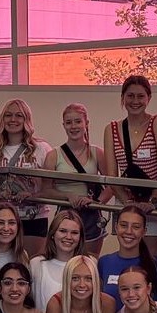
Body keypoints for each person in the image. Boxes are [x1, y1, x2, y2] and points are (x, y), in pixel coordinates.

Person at [100, 75, 157, 236]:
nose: (135, 101)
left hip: (155, 200)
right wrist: (127, 202)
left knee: (153, 256)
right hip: (125, 199)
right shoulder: (111, 129)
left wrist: (153, 201)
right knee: (128, 251)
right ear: (122, 98)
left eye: (140, 96)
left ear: (149, 98)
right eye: (130, 96)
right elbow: (112, 175)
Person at [0, 98, 54, 255]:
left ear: (27, 119)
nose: (13, 119)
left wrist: (33, 196)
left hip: (34, 218)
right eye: (8, 115)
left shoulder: (42, 149)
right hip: (4, 220)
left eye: (19, 115)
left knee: (31, 264)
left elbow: (50, 185)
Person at [46, 104, 108, 247]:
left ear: (86, 123)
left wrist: (96, 202)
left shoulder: (97, 153)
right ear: (64, 125)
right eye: (69, 122)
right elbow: (46, 189)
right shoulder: (53, 156)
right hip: (64, 213)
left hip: (91, 214)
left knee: (90, 262)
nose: (73, 126)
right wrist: (68, 196)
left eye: (78, 121)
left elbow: (112, 185)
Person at [98, 204, 157, 305]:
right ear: (116, 227)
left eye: (136, 227)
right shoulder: (104, 262)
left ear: (144, 231)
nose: (129, 231)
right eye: (123, 225)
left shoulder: (156, 264)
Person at [30, 209, 87, 310]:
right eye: (63, 231)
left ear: (80, 237)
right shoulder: (36, 263)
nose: (68, 237)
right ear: (52, 234)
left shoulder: (88, 264)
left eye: (74, 233)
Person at [0, 201, 27, 275]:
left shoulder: (23, 255)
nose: (6, 228)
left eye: (11, 223)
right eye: (0, 223)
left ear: (18, 227)